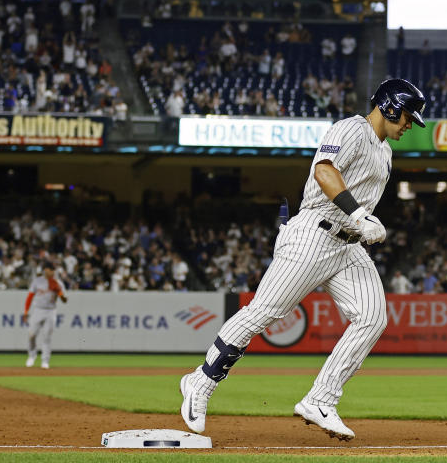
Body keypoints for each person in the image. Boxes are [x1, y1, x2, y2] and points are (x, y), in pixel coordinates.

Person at [178, 78, 427, 440]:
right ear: (389, 105)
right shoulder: (351, 129)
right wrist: (359, 215)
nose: (409, 124)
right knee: (263, 312)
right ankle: (200, 382)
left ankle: (320, 399)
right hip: (314, 232)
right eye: (407, 115)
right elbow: (324, 170)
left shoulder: (385, 152)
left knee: (372, 317)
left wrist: (363, 225)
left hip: (347, 245)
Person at [24, 262, 68, 369]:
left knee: (47, 337)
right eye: (50, 269)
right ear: (45, 270)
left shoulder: (58, 283)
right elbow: (30, 297)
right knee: (31, 334)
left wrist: (59, 292)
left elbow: (65, 300)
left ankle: (45, 360)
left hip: (51, 311)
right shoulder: (37, 281)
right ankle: (32, 355)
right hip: (38, 310)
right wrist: (26, 312)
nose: (52, 271)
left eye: (53, 269)